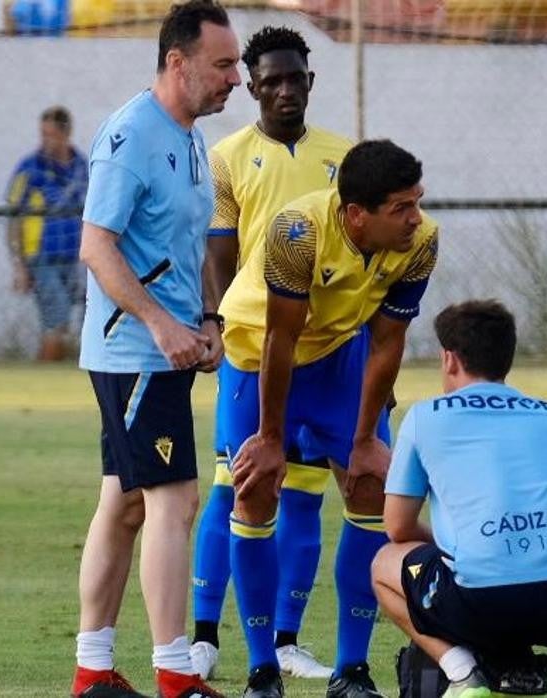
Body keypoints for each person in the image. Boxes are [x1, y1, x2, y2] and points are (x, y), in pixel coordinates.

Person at [221, 139, 438, 698]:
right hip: (258, 358)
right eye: (401, 208)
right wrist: (270, 438)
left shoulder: (423, 242)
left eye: (417, 202)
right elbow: (280, 336)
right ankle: (263, 671)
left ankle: (351, 671)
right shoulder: (298, 232)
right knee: (255, 490)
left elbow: (389, 341)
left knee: (370, 488)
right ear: (356, 215)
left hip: (341, 356)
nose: (416, 218)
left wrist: (365, 438)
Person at [69, 2, 240, 697]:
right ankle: (176, 675)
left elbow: (187, 241)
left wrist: (204, 319)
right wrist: (162, 326)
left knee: (126, 503)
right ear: (178, 62)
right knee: (176, 500)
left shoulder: (192, 135)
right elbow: (95, 245)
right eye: (223, 64)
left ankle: (93, 671)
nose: (237, 78)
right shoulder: (131, 135)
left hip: (166, 350)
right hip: (135, 355)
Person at [189, 25, 354, 681]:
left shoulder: (346, 158)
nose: (285, 90)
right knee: (237, 487)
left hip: (327, 353)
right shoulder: (227, 157)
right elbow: (219, 258)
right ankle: (204, 633)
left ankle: (286, 640)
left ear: (309, 83)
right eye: (272, 80)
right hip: (254, 352)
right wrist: (228, 337)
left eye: (296, 79)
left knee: (308, 495)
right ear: (252, 85)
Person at [371, 300, 547, 698]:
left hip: (480, 601)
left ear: (449, 359)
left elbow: (397, 526)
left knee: (383, 565)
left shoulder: (424, 417)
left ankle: (464, 675)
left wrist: (466, 544)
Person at [5, 105, 90, 362]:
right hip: (42, 257)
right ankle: (45, 372)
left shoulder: (83, 166)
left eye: (50, 135)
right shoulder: (29, 168)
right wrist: (19, 265)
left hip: (78, 257)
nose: (44, 141)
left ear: (66, 134)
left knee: (86, 317)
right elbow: (13, 217)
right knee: (57, 319)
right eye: (42, 134)